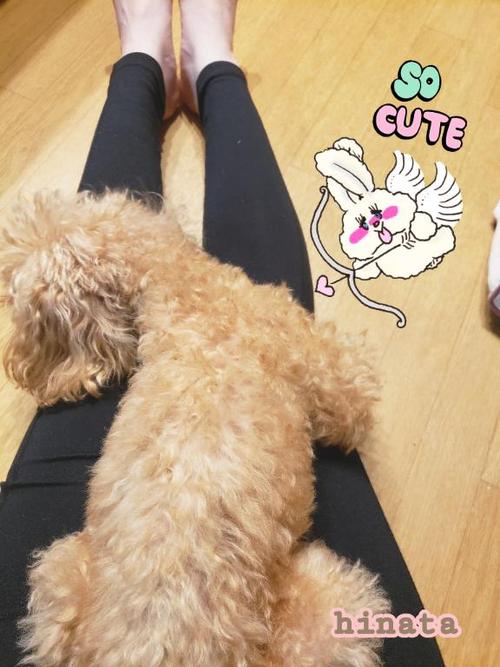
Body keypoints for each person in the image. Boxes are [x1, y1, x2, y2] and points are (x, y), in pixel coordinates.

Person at [0, 1, 445, 664]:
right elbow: (349, 409)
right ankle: (212, 68)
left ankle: (141, 65)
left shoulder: (117, 339)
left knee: (68, 569)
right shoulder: (263, 315)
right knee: (335, 607)